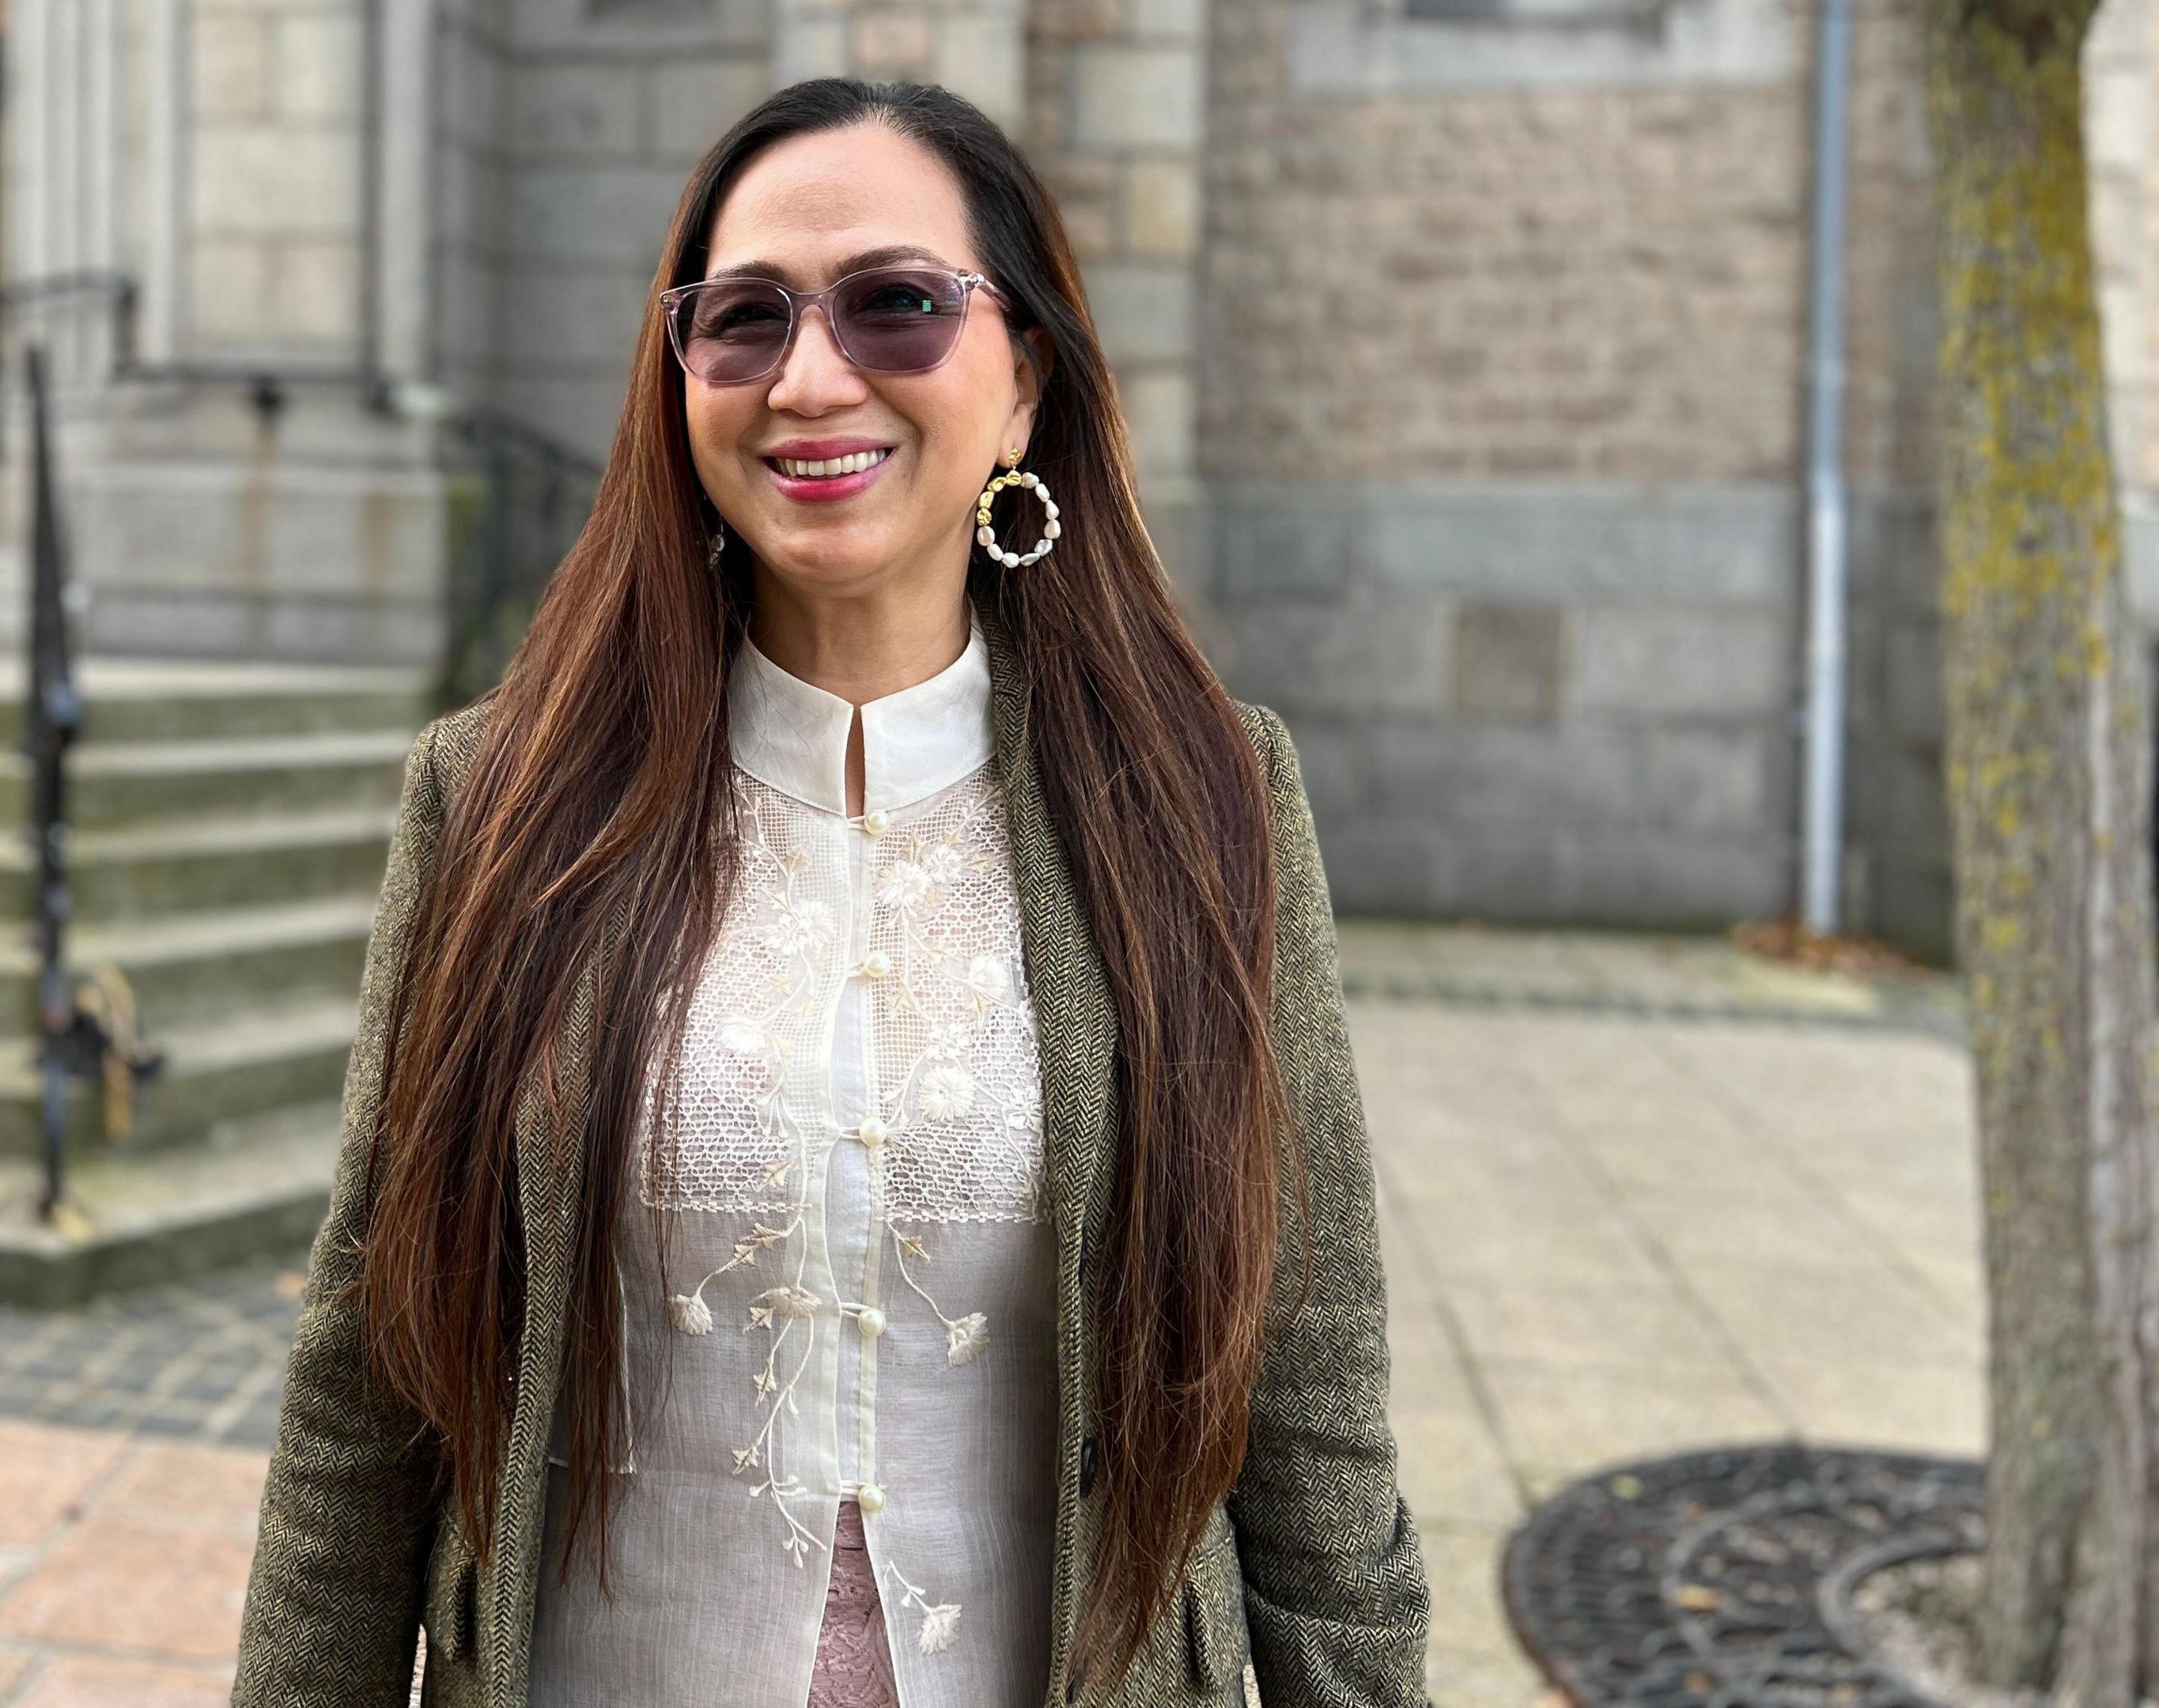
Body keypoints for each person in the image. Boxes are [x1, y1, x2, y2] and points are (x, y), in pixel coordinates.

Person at [233, 77, 1428, 1708]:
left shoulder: (1207, 801)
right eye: (742, 321)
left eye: (896, 305)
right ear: (681, 385)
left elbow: (1314, 1413)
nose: (810, 378)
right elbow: (365, 1393)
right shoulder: (504, 801)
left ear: (1025, 388)